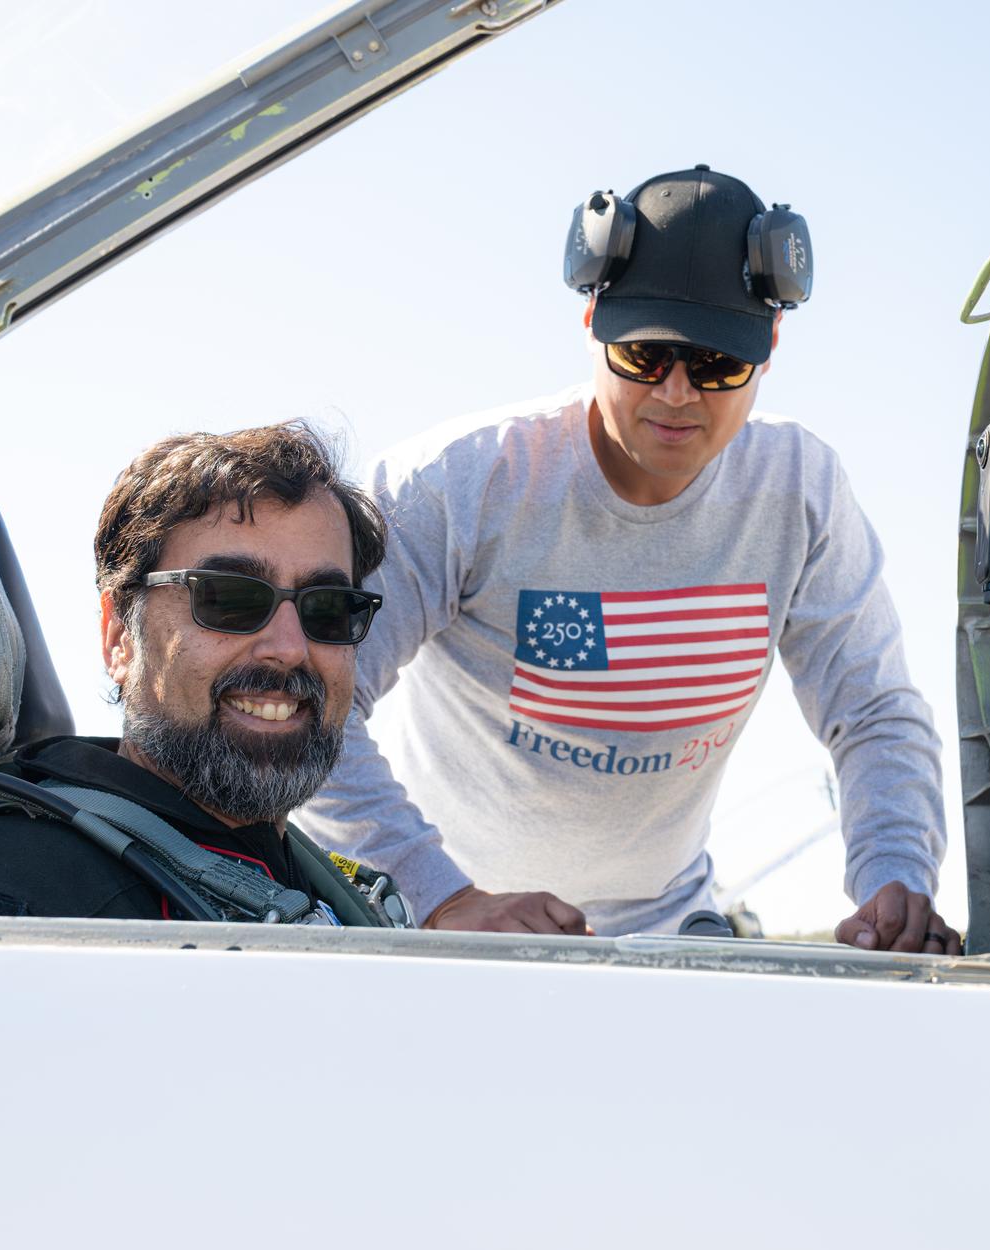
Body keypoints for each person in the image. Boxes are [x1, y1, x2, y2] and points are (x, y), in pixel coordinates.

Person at [299, 165, 956, 952]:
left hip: (664, 931)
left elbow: (876, 711)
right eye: (645, 355)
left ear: (770, 346)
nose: (677, 394)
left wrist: (897, 874)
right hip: (441, 925)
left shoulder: (800, 491)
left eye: (717, 365)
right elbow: (312, 710)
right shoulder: (457, 487)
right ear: (593, 325)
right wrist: (442, 898)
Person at [0, 422, 390, 920]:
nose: (291, 648)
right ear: (119, 637)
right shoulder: (11, 905)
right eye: (230, 599)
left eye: (328, 608)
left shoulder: (325, 888)